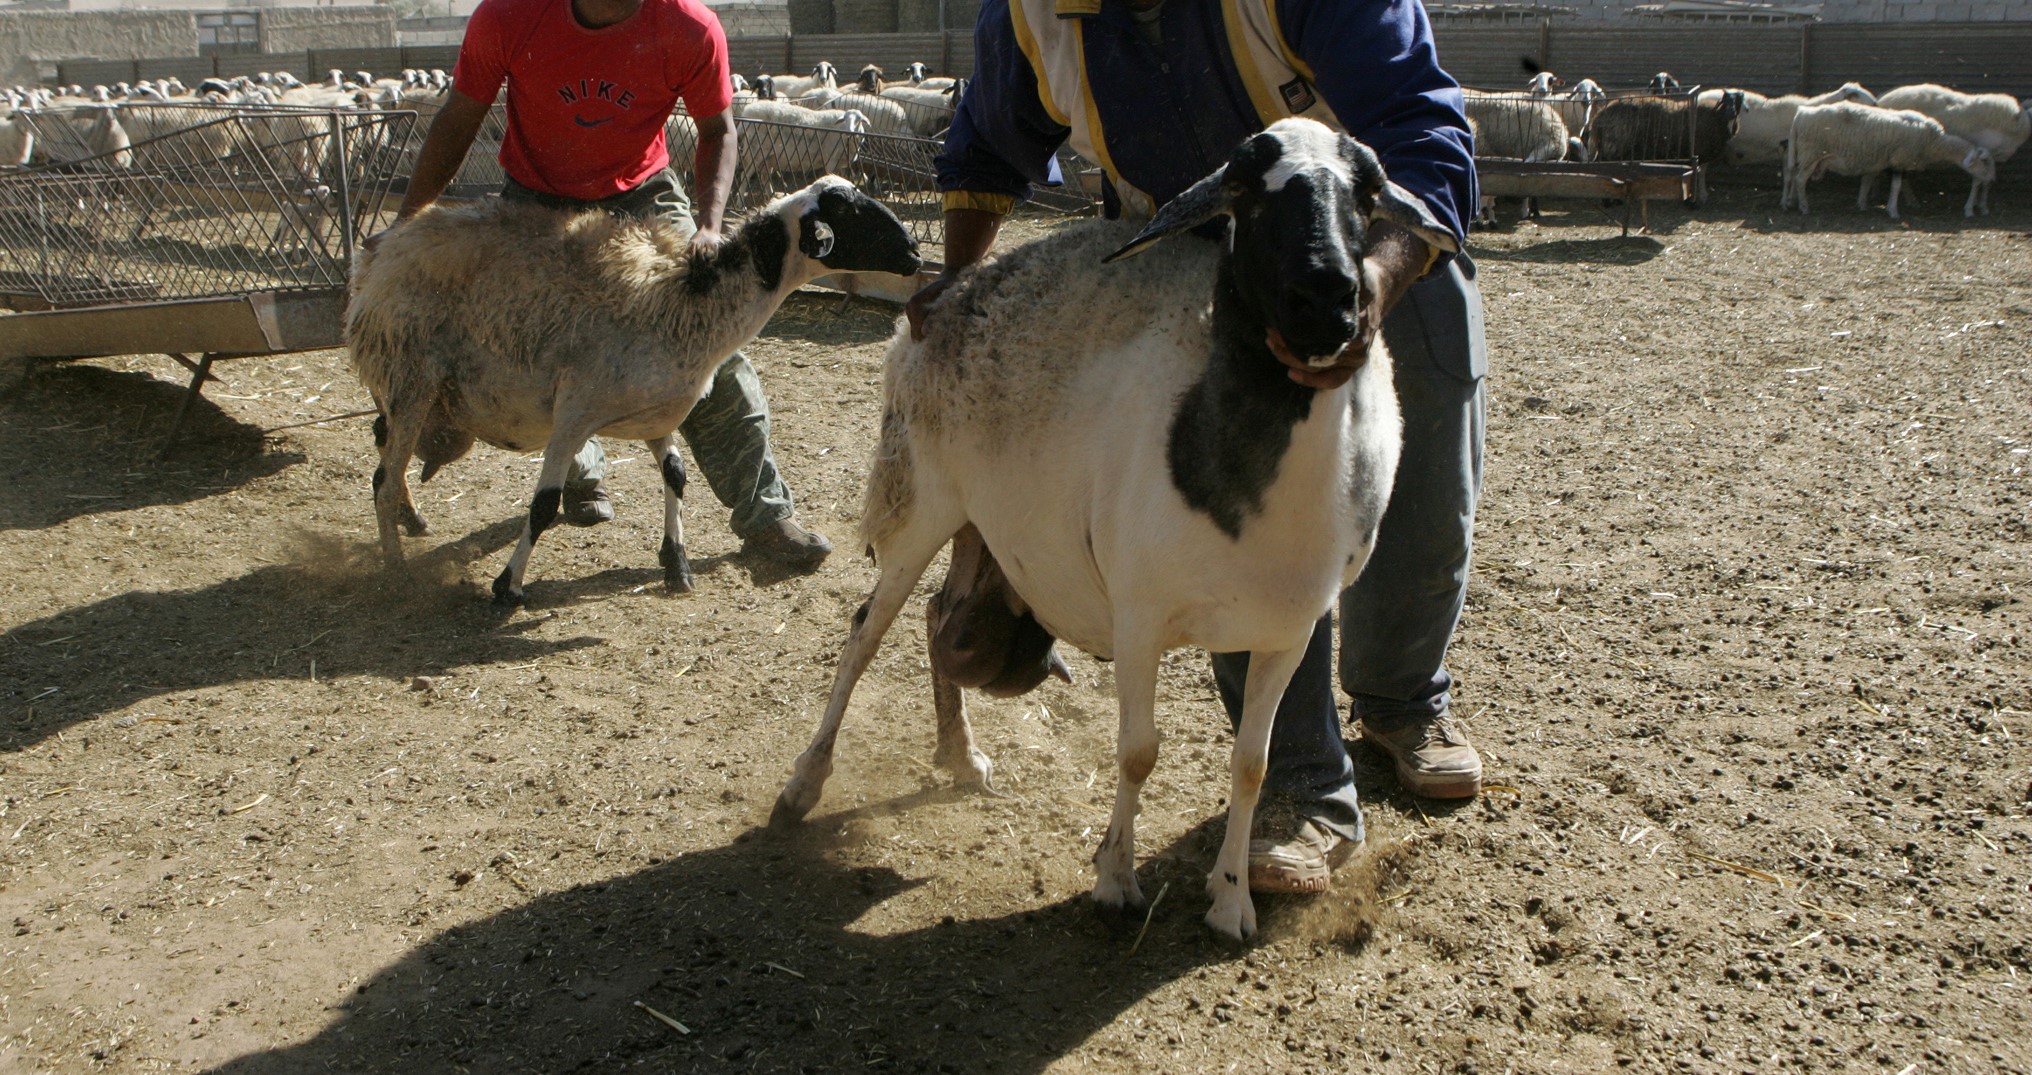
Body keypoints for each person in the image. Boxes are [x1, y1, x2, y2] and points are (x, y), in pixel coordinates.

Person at [915, 0, 1488, 894]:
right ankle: (1300, 782)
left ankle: (1404, 696)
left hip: (1366, 238)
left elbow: (1422, 131)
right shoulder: (1033, 14)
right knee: (1220, 498)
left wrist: (1373, 284)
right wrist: (956, 284)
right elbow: (987, 145)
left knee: (1421, 451)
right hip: (1189, 249)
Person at [369, 0, 832, 567]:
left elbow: (717, 128)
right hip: (536, 197)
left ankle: (765, 513)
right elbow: (461, 116)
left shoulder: (686, 26)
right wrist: (407, 223)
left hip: (640, 194)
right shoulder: (510, 16)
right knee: (543, 339)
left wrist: (709, 226)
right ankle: (579, 473)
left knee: (708, 334)